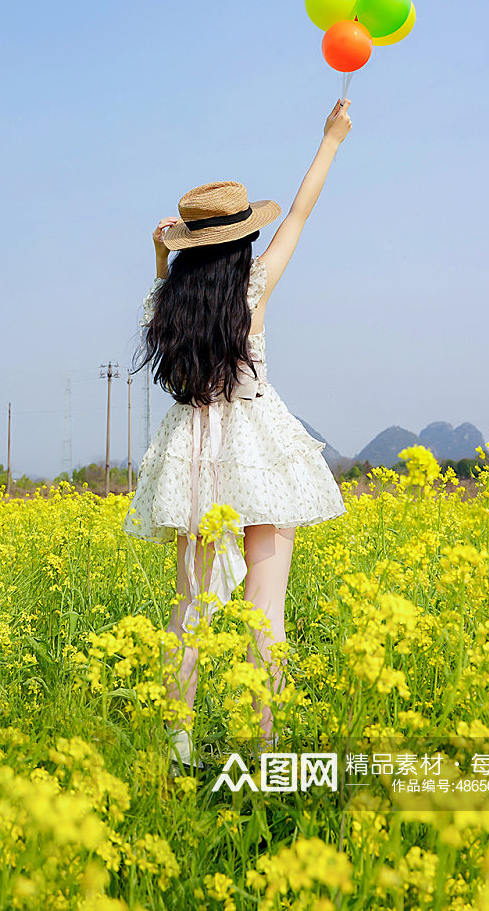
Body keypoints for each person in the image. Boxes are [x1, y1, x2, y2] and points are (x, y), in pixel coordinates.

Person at [123, 98, 352, 773]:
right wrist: (331, 139)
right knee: (265, 609)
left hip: (194, 453)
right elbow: (302, 213)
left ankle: (179, 747)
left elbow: (163, 295)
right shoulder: (251, 288)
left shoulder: (169, 305)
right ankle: (267, 748)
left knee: (189, 607)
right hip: (258, 446)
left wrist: (158, 258)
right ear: (242, 240)